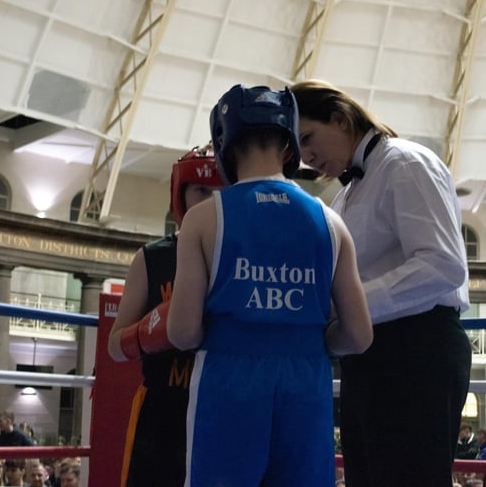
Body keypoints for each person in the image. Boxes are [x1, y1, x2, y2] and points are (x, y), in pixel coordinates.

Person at [166, 84, 373, 486]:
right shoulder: (331, 222)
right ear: (290, 144)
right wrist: (311, 339)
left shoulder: (204, 219)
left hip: (228, 379)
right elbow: (360, 335)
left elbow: (182, 331)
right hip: (307, 382)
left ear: (224, 143)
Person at [290, 78, 472, 486]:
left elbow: (443, 264)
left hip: (417, 351)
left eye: (308, 138)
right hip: (369, 354)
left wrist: (350, 307)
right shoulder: (343, 196)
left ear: (339, 118)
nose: (306, 156)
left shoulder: (406, 162)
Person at [107, 143, 223, 487]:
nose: (211, 201)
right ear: (181, 195)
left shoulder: (246, 256)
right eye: (202, 190)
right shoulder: (153, 259)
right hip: (162, 411)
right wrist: (151, 329)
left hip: (223, 406)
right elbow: (115, 345)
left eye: (221, 192)